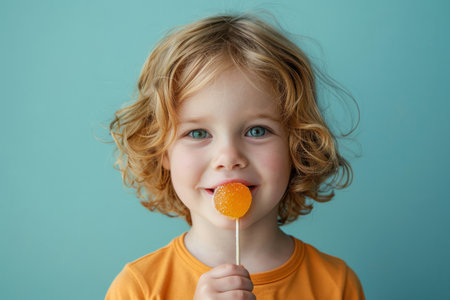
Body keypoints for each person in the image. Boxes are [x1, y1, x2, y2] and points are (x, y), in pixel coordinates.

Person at [106, 13, 364, 299]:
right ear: (161, 151)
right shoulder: (138, 288)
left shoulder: (335, 284)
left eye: (256, 131)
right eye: (198, 133)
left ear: (297, 145)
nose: (228, 157)